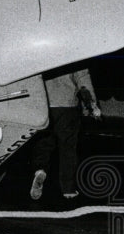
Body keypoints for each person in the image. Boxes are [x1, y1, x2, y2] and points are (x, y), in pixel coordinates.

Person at [29, 67, 102, 201]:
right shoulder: (74, 53)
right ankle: (68, 189)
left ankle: (40, 170)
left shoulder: (41, 49)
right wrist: (91, 105)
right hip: (67, 108)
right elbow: (83, 79)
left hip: (44, 106)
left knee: (43, 144)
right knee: (68, 148)